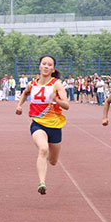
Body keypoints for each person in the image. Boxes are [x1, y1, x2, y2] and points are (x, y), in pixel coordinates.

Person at [16, 55, 69, 195]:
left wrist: (56, 99)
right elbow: (25, 93)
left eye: (49, 64)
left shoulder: (56, 84)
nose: (46, 66)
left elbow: (67, 105)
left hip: (55, 126)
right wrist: (19, 105)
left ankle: (49, 162)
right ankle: (42, 183)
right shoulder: (32, 84)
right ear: (39, 66)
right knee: (43, 149)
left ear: (53, 69)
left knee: (53, 161)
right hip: (38, 124)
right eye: (43, 64)